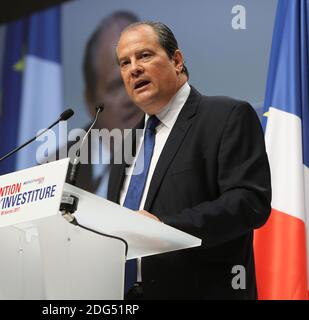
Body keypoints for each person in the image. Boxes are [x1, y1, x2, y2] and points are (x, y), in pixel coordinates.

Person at [108, 21, 272, 299]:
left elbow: (249, 203)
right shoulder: (126, 143)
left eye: (144, 55)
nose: (134, 68)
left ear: (177, 60)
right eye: (125, 62)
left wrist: (165, 229)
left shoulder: (226, 116)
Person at [66, 11, 143, 196]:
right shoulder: (56, 166)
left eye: (137, 78)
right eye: (116, 86)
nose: (130, 96)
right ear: (90, 100)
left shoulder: (180, 147)